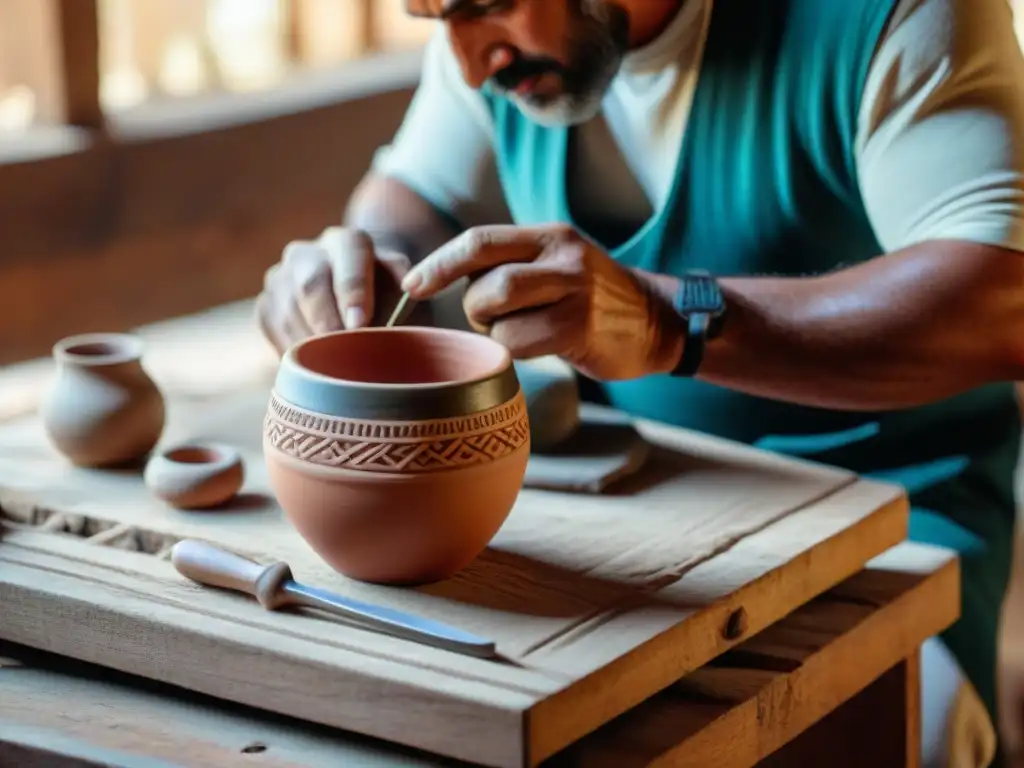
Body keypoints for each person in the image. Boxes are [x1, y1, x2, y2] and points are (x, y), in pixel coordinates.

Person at [257, 0, 1024, 763]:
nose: (466, 63)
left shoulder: (890, 16)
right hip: (629, 511)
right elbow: (410, 203)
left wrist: (666, 320)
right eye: (436, 17)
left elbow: (1003, 301)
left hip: (888, 533)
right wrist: (359, 263)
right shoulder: (490, 47)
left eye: (486, 5)